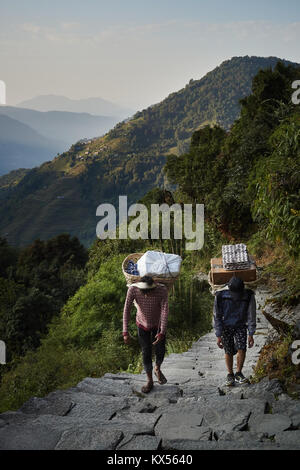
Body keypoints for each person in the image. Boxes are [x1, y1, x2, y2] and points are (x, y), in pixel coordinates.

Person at [123, 275, 169, 393]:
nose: (146, 295)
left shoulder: (162, 290)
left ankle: (157, 368)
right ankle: (149, 380)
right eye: (144, 292)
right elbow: (127, 309)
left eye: (149, 292)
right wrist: (125, 331)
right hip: (142, 324)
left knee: (160, 349)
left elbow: (164, 311)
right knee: (146, 351)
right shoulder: (133, 289)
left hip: (157, 324)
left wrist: (162, 332)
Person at [213, 276, 256, 386]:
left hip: (241, 325)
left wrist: (251, 333)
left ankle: (238, 373)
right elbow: (216, 315)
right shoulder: (220, 295)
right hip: (225, 326)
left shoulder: (248, 295)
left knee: (242, 348)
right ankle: (230, 374)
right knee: (228, 350)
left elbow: (251, 315)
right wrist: (218, 334)